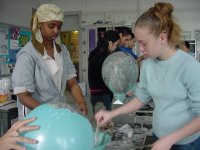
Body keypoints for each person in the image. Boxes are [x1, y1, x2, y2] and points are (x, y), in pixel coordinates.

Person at [95, 2, 200, 150]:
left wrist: (170, 139)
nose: (141, 49)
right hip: (159, 136)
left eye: (144, 44)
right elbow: (141, 99)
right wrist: (111, 114)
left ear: (162, 38)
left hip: (185, 142)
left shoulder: (190, 67)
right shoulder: (148, 65)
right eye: (138, 43)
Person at [12, 4, 87, 120]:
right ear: (39, 26)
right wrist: (49, 113)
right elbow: (24, 96)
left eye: (59, 26)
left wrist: (81, 102)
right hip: (36, 116)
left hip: (57, 113)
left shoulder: (62, 50)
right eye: (51, 26)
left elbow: (71, 83)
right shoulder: (27, 55)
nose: (56, 31)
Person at [88, 30, 120, 114]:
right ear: (110, 43)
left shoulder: (94, 53)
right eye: (116, 45)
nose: (116, 48)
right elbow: (110, 77)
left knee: (99, 121)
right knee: (106, 122)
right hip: (103, 94)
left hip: (94, 94)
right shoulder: (106, 57)